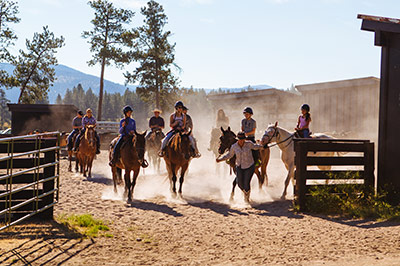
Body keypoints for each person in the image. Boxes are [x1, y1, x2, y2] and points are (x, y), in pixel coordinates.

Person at [216, 131, 264, 203]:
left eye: (243, 139)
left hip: (249, 166)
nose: (241, 141)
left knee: (246, 183)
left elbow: (255, 147)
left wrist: (262, 146)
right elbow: (229, 155)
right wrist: (220, 159)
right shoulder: (234, 146)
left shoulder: (249, 144)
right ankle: (246, 193)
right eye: (240, 139)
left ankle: (246, 198)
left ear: (245, 139)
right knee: (239, 183)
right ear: (238, 139)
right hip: (239, 166)